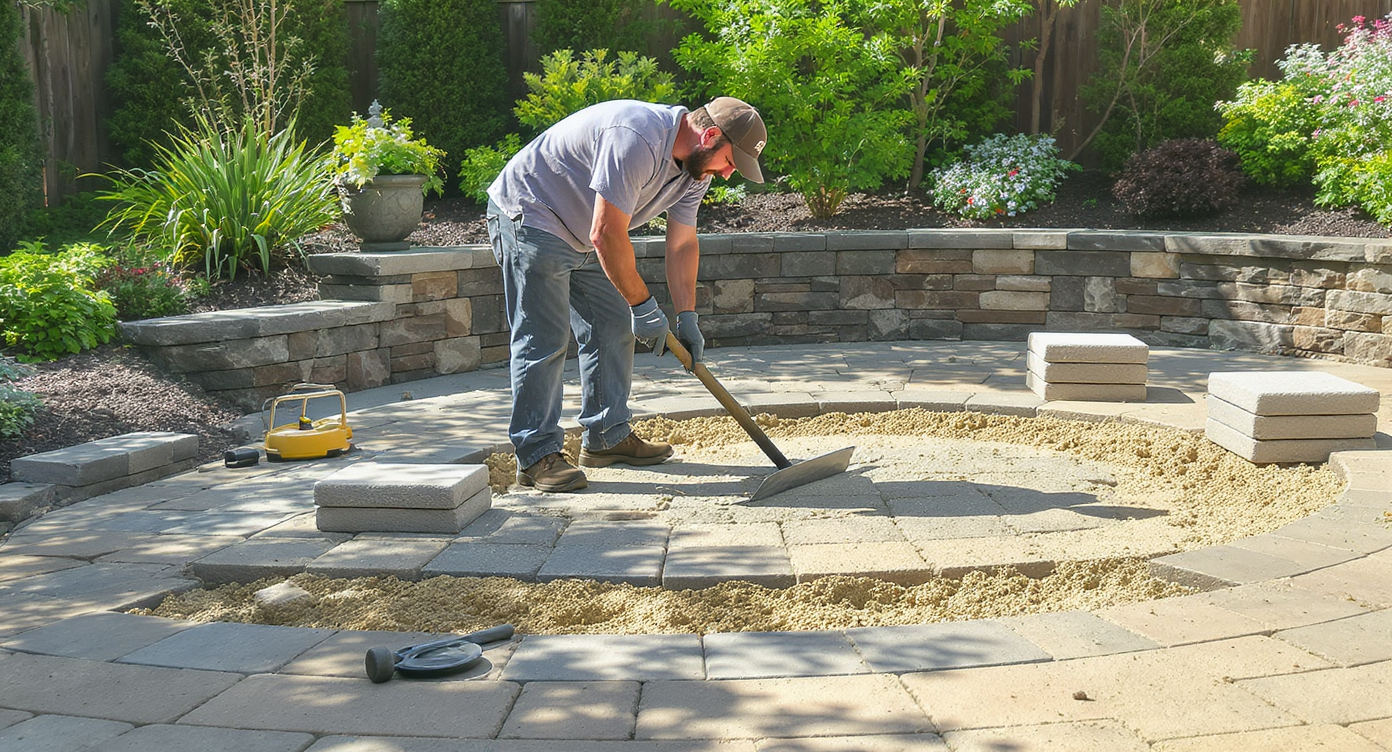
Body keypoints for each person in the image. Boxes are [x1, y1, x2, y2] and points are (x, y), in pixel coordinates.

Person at [485, 97, 767, 493]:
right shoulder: (637, 137)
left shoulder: (694, 172)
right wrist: (643, 304)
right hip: (532, 213)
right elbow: (606, 234)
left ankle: (606, 436)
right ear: (710, 135)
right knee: (543, 339)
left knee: (612, 324)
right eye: (730, 161)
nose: (725, 174)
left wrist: (687, 316)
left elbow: (682, 243)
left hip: (585, 231)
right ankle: (536, 456)